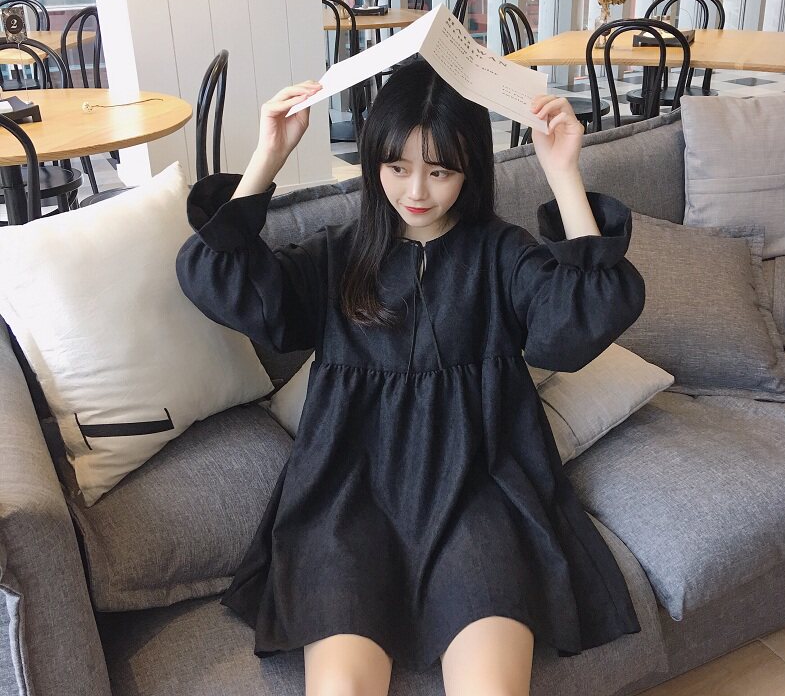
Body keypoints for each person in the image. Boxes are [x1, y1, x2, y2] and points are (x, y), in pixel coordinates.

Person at [175, 58, 646, 695]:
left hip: (478, 490)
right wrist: (268, 156)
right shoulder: (336, 256)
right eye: (396, 167)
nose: (416, 191)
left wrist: (563, 172)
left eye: (440, 170)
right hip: (346, 497)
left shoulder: (501, 256)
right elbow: (219, 276)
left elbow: (581, 319)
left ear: (471, 170)